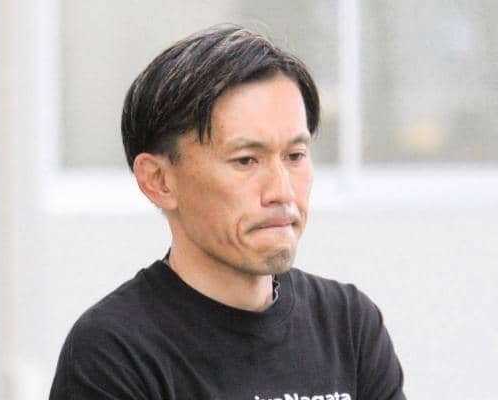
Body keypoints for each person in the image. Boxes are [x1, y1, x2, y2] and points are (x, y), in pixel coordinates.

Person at [49, 25, 405, 400]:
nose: (282, 191)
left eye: (295, 156)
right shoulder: (115, 354)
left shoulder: (348, 325)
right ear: (158, 180)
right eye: (246, 160)